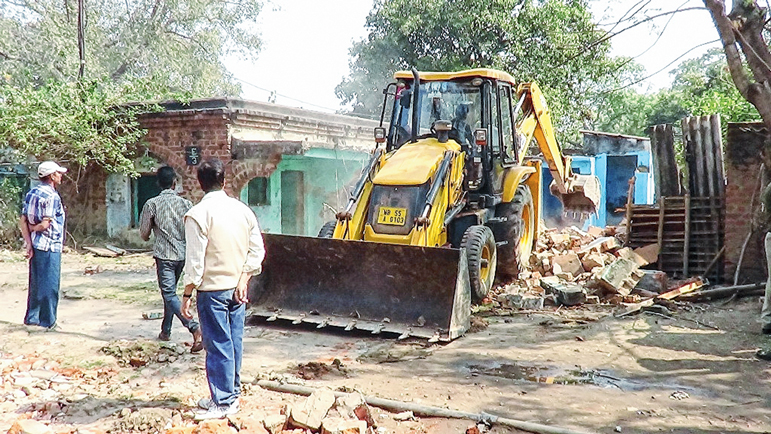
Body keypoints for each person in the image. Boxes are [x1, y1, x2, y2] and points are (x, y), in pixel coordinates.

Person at [181, 158, 265, 420]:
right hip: (237, 289)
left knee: (217, 345)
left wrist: (186, 293)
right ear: (224, 181)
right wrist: (244, 279)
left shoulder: (197, 214)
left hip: (213, 291)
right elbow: (257, 250)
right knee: (233, 342)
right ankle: (231, 393)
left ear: (200, 184)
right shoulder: (242, 211)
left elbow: (195, 262)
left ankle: (224, 401)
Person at [139, 166, 202, 353]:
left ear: (158, 183)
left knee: (168, 294)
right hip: (182, 255)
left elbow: (143, 234)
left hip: (164, 255)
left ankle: (194, 327)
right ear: (175, 183)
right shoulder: (186, 204)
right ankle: (165, 331)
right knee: (171, 293)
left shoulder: (152, 204)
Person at [18, 161, 67, 329]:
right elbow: (45, 224)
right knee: (50, 284)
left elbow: (23, 220)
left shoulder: (32, 193)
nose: (61, 176)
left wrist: (29, 243)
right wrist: (35, 228)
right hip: (50, 245)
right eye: (58, 173)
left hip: (36, 245)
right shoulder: (52, 196)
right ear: (52, 176)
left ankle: (32, 317)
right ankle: (48, 321)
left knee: (36, 282)